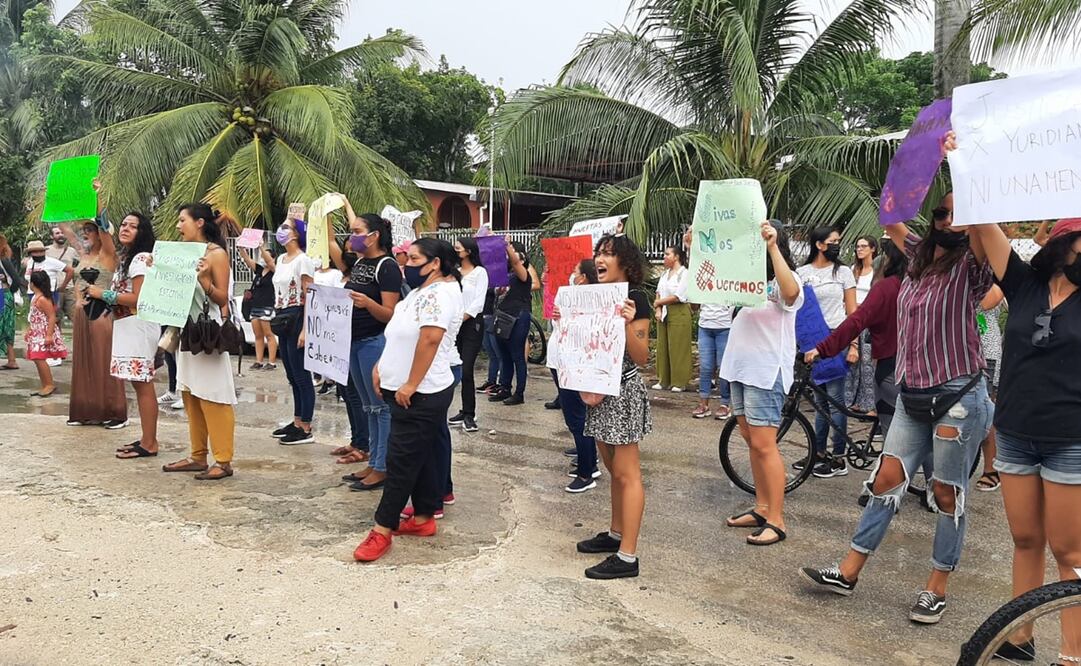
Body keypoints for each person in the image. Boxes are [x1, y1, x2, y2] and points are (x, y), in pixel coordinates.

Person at [800, 188, 995, 625]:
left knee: (945, 492)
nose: (949, 219)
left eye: (959, 211)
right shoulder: (918, 260)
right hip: (911, 395)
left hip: (957, 397)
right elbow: (890, 218)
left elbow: (983, 236)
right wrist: (918, 163)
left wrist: (976, 194)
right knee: (886, 480)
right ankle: (848, 572)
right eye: (942, 212)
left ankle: (936, 587)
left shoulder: (972, 266)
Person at [968, 217, 1081, 661]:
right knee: (1026, 539)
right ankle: (1018, 638)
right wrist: (962, 159)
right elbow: (984, 220)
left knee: (1070, 550)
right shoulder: (1023, 281)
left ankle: (1073, 654)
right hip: (1014, 432)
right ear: (1063, 243)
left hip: (1071, 438)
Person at [353, 238, 463, 562]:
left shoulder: (440, 294)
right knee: (424, 455)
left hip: (422, 391)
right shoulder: (419, 293)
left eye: (414, 259)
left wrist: (411, 383)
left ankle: (381, 530)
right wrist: (380, 366)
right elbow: (399, 333)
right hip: (403, 386)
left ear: (435, 263)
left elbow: (430, 339)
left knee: (400, 462)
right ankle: (424, 517)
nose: (407, 265)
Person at [573, 234, 652, 580]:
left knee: (627, 473)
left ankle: (628, 556)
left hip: (622, 392)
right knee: (611, 469)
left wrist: (626, 324)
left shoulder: (635, 298)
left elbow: (642, 356)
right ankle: (616, 534)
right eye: (598, 253)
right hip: (598, 391)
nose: (599, 259)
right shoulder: (593, 295)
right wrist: (566, 318)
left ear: (626, 263)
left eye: (608, 254)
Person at [720, 220, 803, 547]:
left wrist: (772, 247)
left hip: (766, 372)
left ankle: (777, 520)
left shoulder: (787, 277)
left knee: (765, 444)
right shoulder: (746, 279)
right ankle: (761, 508)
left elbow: (792, 294)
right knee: (751, 440)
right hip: (739, 368)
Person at [327, 202, 402, 491]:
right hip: (354, 342)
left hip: (374, 341)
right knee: (368, 406)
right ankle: (372, 460)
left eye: (357, 231)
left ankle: (383, 467)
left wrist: (367, 304)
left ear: (373, 236)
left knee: (380, 406)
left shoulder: (388, 266)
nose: (352, 236)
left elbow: (390, 314)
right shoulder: (360, 264)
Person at [161, 203, 238, 481]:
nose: (179, 226)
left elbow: (221, 298)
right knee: (190, 394)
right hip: (187, 329)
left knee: (213, 395)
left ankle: (223, 459)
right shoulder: (183, 254)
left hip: (207, 332)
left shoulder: (216, 254)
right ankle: (197, 455)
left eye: (183, 220)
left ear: (200, 223)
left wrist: (204, 279)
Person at [806, 239, 908, 436]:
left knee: (894, 437)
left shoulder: (886, 288)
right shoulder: (916, 286)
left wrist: (823, 349)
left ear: (889, 259)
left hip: (891, 367)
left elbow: (856, 321)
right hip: (917, 370)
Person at [86, 213, 161, 459]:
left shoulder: (140, 258)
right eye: (124, 224)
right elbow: (106, 235)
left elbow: (139, 298)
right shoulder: (128, 257)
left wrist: (102, 294)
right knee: (138, 384)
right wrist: (99, 205)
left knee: (143, 383)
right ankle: (147, 438)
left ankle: (150, 443)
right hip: (128, 324)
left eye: (133, 226)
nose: (125, 228)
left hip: (137, 324)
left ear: (143, 231)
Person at [796, 227, 857, 479]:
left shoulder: (843, 272)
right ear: (819, 245)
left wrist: (853, 345)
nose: (836, 246)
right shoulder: (802, 273)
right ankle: (818, 451)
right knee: (819, 400)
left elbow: (853, 312)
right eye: (832, 242)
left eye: (838, 242)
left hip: (836, 338)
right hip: (811, 342)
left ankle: (839, 456)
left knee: (835, 399)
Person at [60, 219, 126, 428]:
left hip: (102, 312)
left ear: (100, 233)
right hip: (81, 314)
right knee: (84, 362)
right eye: (84, 230)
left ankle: (115, 413)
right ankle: (86, 411)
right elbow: (67, 230)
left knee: (104, 361)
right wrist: (56, 204)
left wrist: (97, 202)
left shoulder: (107, 255)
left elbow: (106, 228)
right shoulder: (83, 254)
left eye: (90, 230)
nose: (85, 233)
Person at [549, 258, 603, 493]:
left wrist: (565, 318)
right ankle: (588, 463)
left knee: (577, 419)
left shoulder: (590, 303)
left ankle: (586, 473)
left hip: (573, 365)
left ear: (583, 278)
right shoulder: (570, 297)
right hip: (560, 361)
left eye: (575, 272)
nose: (571, 275)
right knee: (575, 419)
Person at [269, 218, 316, 446]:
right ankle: (297, 421)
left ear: (297, 234)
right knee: (291, 373)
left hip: (297, 314)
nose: (281, 230)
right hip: (282, 315)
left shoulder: (303, 261)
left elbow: (309, 295)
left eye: (286, 227)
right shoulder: (281, 259)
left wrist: (306, 329)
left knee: (301, 375)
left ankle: (306, 426)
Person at [447, 236, 488, 433]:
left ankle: (470, 414)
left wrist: (461, 318)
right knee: (455, 366)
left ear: (469, 251)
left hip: (471, 324)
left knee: (467, 369)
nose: (456, 251)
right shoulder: (453, 273)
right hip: (453, 325)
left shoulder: (480, 273)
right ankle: (463, 410)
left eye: (459, 248)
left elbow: (478, 302)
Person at [488, 240, 532, 406]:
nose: (512, 259)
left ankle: (519, 393)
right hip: (503, 316)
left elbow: (514, 261)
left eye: (516, 257)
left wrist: (506, 245)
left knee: (517, 355)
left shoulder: (524, 277)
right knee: (504, 355)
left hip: (518, 317)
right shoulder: (506, 276)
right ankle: (505, 387)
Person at [974, 285, 1005, 493]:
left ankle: (991, 468)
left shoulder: (998, 277)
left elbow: (987, 301)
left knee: (987, 410)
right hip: (961, 348)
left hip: (987, 351)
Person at [652, 244, 691, 392]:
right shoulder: (664, 274)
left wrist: (658, 303)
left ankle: (679, 381)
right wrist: (658, 309)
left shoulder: (684, 273)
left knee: (678, 347)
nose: (664, 257)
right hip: (664, 311)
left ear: (676, 257)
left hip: (679, 311)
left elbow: (677, 296)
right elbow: (658, 292)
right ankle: (663, 380)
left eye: (667, 254)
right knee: (663, 346)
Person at [848, 236, 879, 414]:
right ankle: (854, 400)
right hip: (853, 317)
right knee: (853, 362)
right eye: (858, 246)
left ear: (872, 248)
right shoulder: (854, 270)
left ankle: (870, 404)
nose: (860, 250)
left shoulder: (877, 270)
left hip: (868, 318)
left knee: (868, 362)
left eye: (864, 246)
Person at [24, 271, 67, 396]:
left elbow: (52, 317)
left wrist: (48, 335)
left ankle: (49, 384)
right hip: (36, 331)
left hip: (43, 332)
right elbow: (33, 316)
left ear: (32, 284)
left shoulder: (42, 299)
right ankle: (45, 384)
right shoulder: (36, 297)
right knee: (37, 358)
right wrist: (30, 330)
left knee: (39, 358)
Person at [238, 243, 278, 371]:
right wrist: (241, 247)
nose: (262, 258)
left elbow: (270, 263)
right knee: (258, 335)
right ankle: (258, 361)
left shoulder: (274, 271)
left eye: (264, 256)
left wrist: (261, 246)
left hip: (267, 306)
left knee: (269, 334)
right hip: (255, 305)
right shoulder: (259, 270)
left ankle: (271, 362)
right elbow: (247, 259)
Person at [0, 234, 26, 371]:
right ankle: (11, 360)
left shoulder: (4, 260)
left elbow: (16, 279)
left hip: (3, 295)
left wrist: (10, 291)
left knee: (6, 326)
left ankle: (12, 360)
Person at [46, 225, 78, 326]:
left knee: (76, 318)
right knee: (55, 320)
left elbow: (83, 264)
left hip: (69, 289)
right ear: (52, 236)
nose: (61, 235)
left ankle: (80, 341)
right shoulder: (46, 250)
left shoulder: (72, 251)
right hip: (53, 290)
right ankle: (56, 341)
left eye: (62, 233)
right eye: (57, 233)